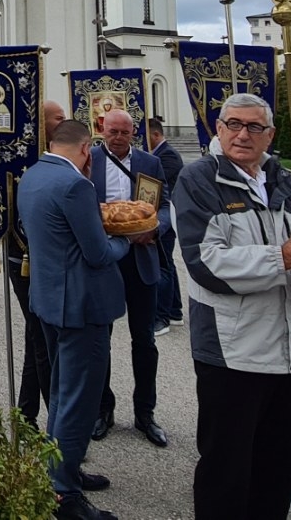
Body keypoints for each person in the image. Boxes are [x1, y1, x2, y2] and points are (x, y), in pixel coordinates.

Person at [173, 92, 291, 520]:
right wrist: (283, 259)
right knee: (226, 469)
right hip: (232, 349)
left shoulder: (284, 181)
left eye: (254, 127)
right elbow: (206, 264)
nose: (242, 135)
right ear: (218, 128)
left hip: (286, 349)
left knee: (277, 466)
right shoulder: (200, 181)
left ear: (270, 135)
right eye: (233, 125)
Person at [18, 118, 150, 520]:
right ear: (85, 148)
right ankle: (64, 496)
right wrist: (127, 237)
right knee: (79, 400)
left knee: (61, 391)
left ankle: (61, 467)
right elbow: (98, 254)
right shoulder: (76, 185)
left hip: (49, 300)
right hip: (82, 306)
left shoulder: (34, 175)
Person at [88, 110, 171, 447]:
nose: (118, 137)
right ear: (101, 130)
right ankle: (103, 409)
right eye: (113, 131)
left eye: (124, 132)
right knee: (100, 340)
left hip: (140, 257)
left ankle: (145, 412)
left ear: (134, 132)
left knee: (145, 341)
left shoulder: (149, 163)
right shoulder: (89, 159)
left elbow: (165, 205)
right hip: (106, 261)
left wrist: (154, 228)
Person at [5, 99, 65, 430]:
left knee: (34, 336)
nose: (64, 122)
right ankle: (59, 428)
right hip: (25, 258)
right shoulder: (24, 158)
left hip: (43, 259)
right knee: (42, 339)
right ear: (41, 124)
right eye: (58, 118)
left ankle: (25, 415)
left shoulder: (54, 158)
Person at [146, 116, 186, 334]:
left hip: (167, 214)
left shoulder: (168, 155)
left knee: (162, 266)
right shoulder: (159, 154)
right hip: (164, 213)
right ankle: (174, 311)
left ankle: (161, 318)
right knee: (167, 264)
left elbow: (157, 184)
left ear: (155, 134)